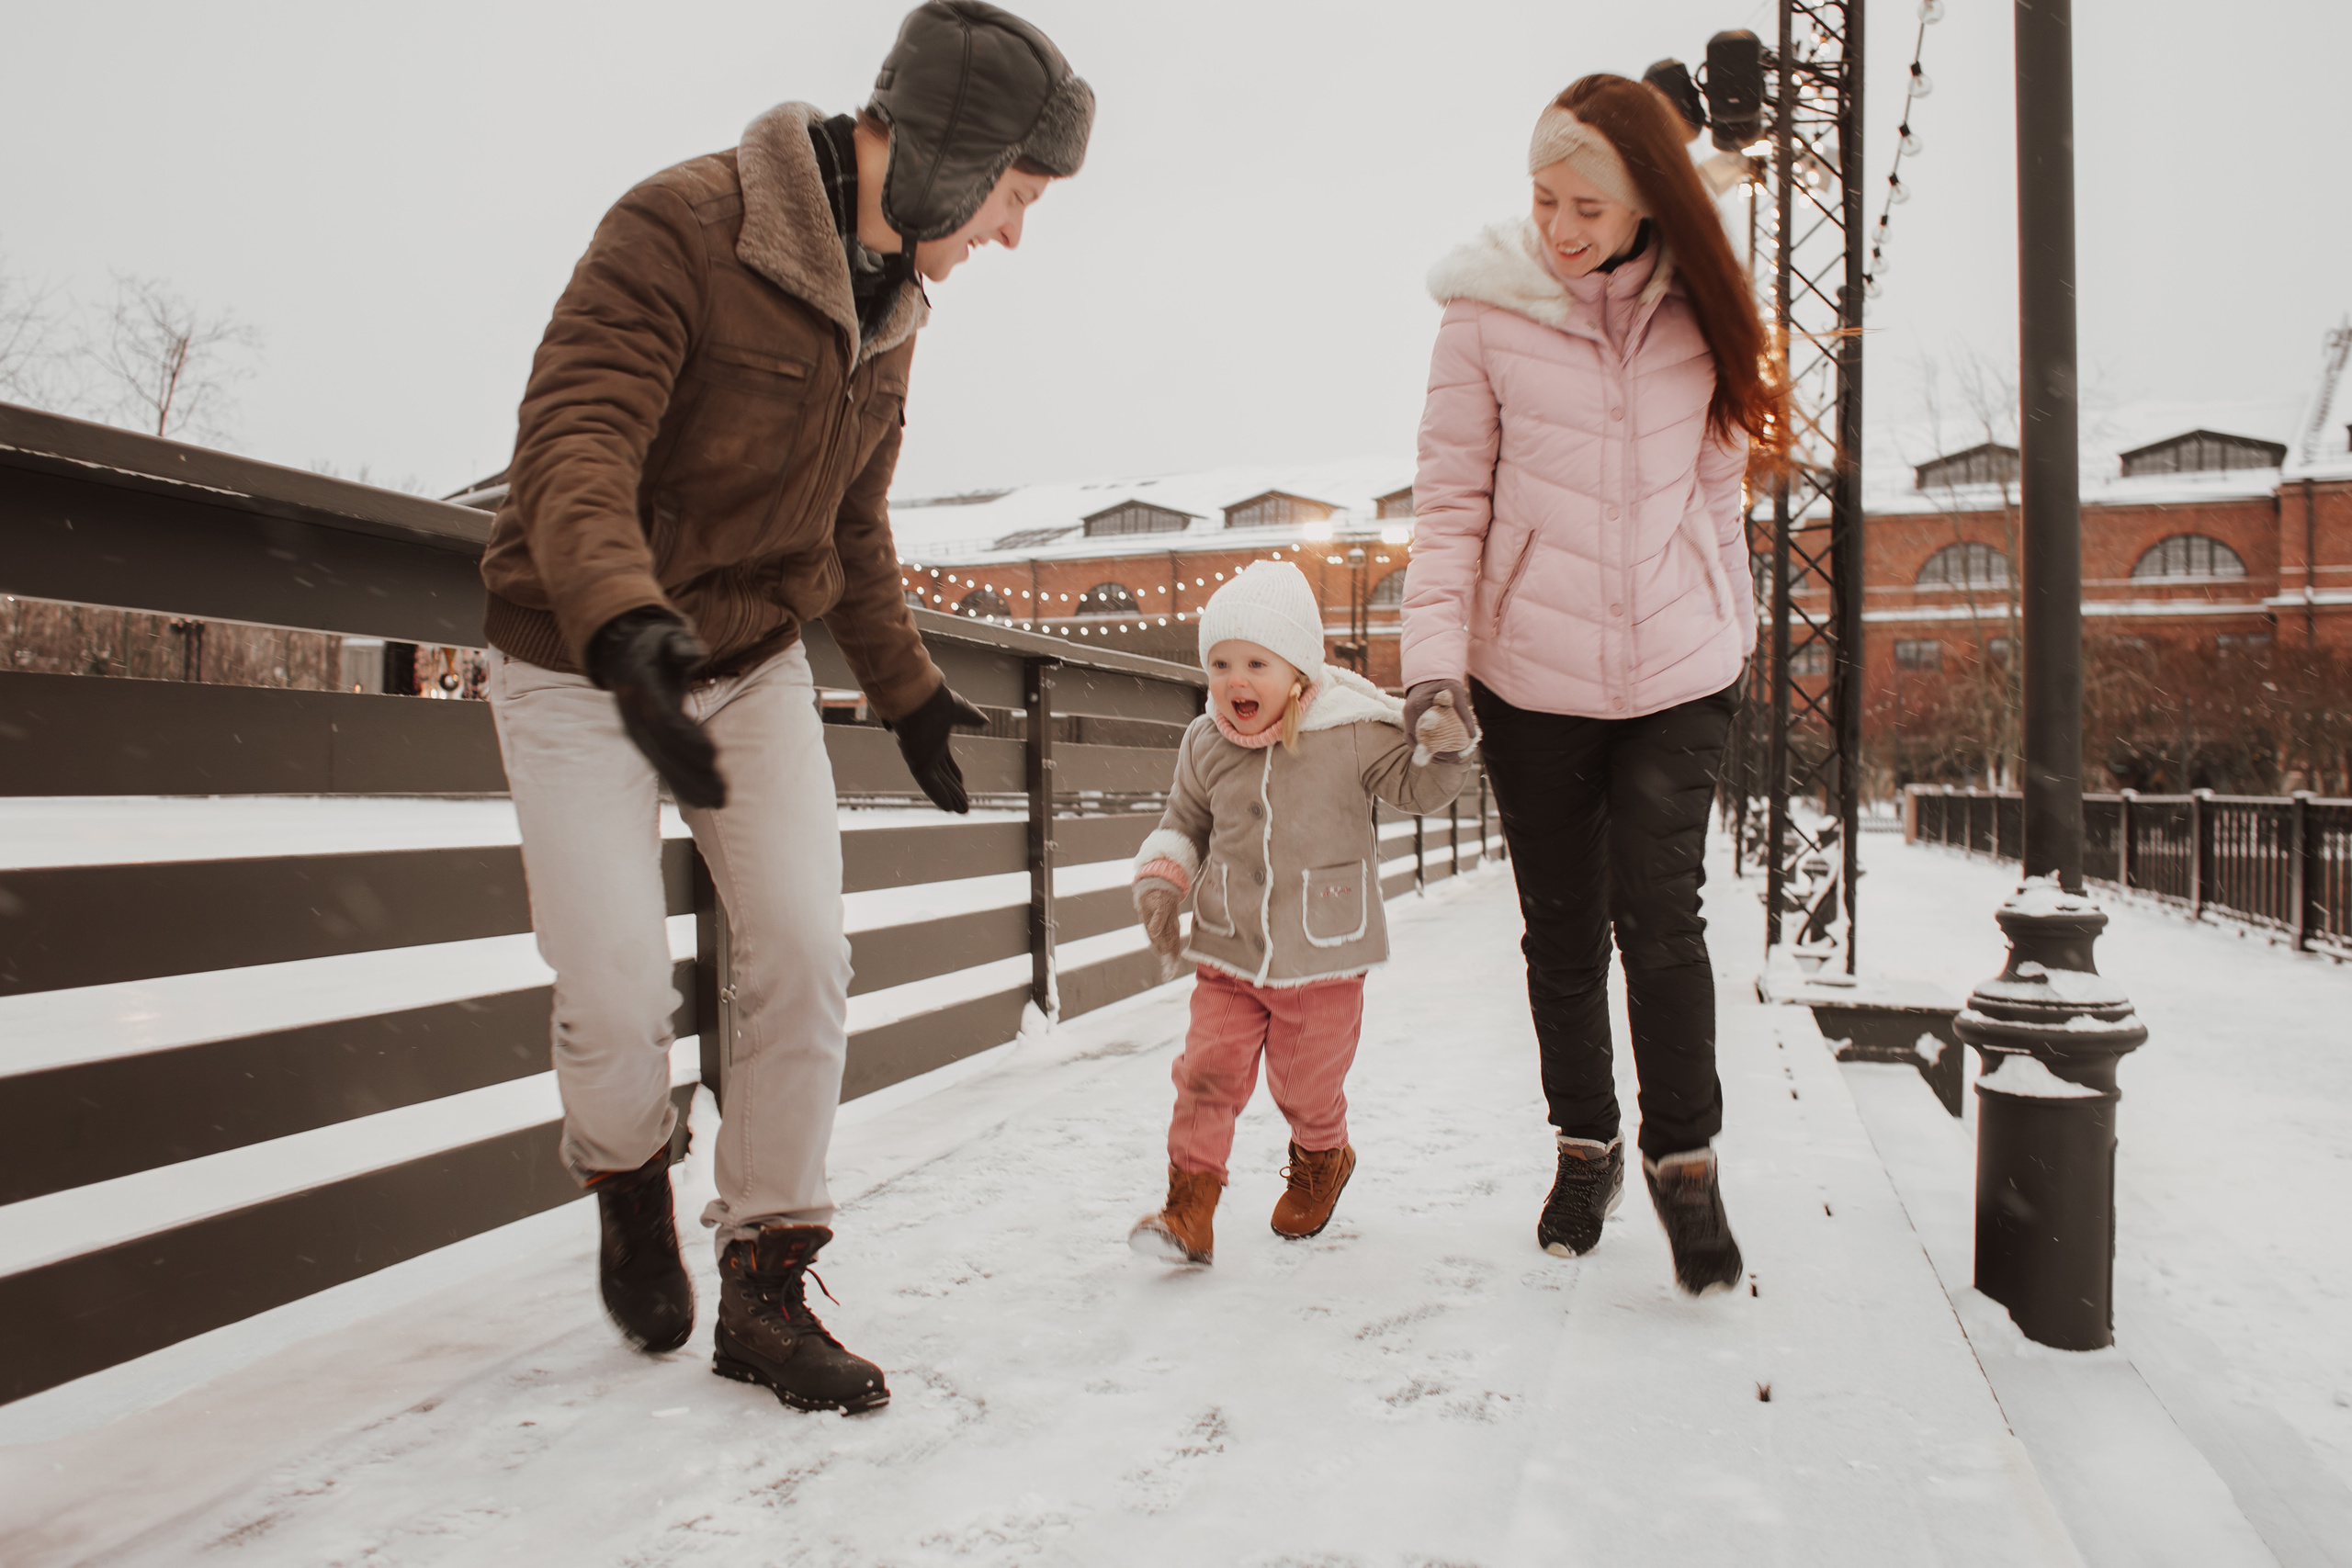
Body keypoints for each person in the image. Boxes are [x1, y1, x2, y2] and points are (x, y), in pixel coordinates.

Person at [475, 1, 1092, 1412]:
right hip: (580, 651)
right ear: (948, 154)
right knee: (615, 985)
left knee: (806, 952)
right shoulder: (681, 226)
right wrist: (623, 620)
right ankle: (629, 1173)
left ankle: (766, 1275)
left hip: (749, 658)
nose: (1014, 234)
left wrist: (909, 687)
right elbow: (575, 440)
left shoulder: (897, 300)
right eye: (1016, 193)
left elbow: (851, 523)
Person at [1396, 74, 1783, 1296]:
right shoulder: (1483, 312)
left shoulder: (1704, 306)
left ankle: (1685, 1160)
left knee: (1661, 916)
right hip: (1533, 678)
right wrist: (1432, 667)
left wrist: (1735, 629)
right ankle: (1587, 1147)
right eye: (1543, 198)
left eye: (1587, 205)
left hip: (1678, 668)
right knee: (1564, 932)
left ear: (1647, 200)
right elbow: (1450, 505)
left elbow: (1718, 493)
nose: (1560, 227)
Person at [1125, 563, 1472, 1265]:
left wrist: (1445, 744)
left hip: (1323, 953)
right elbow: (1184, 822)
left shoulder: (1349, 731)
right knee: (1206, 1073)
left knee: (1305, 1084)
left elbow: (1417, 788)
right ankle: (1189, 1206)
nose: (1236, 680)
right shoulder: (1204, 741)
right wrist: (1163, 881)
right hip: (1229, 949)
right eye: (1221, 663)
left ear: (1298, 672)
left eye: (1257, 663)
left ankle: (1323, 1155)